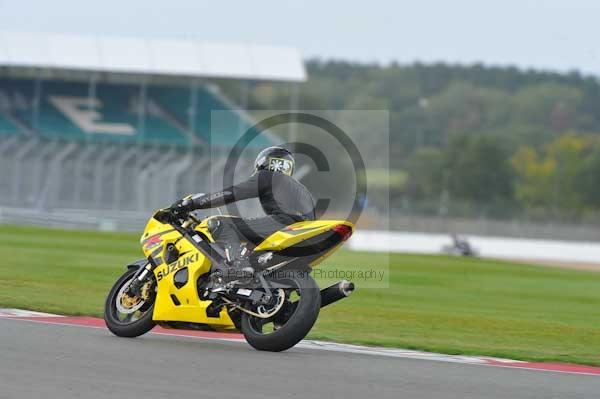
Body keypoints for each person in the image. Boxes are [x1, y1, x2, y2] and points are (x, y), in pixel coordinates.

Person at [170, 146, 316, 254]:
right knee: (248, 250)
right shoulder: (303, 190)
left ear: (264, 162)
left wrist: (194, 203)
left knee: (219, 224)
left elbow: (231, 193)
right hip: (304, 236)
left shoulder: (266, 176)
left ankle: (236, 269)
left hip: (283, 225)